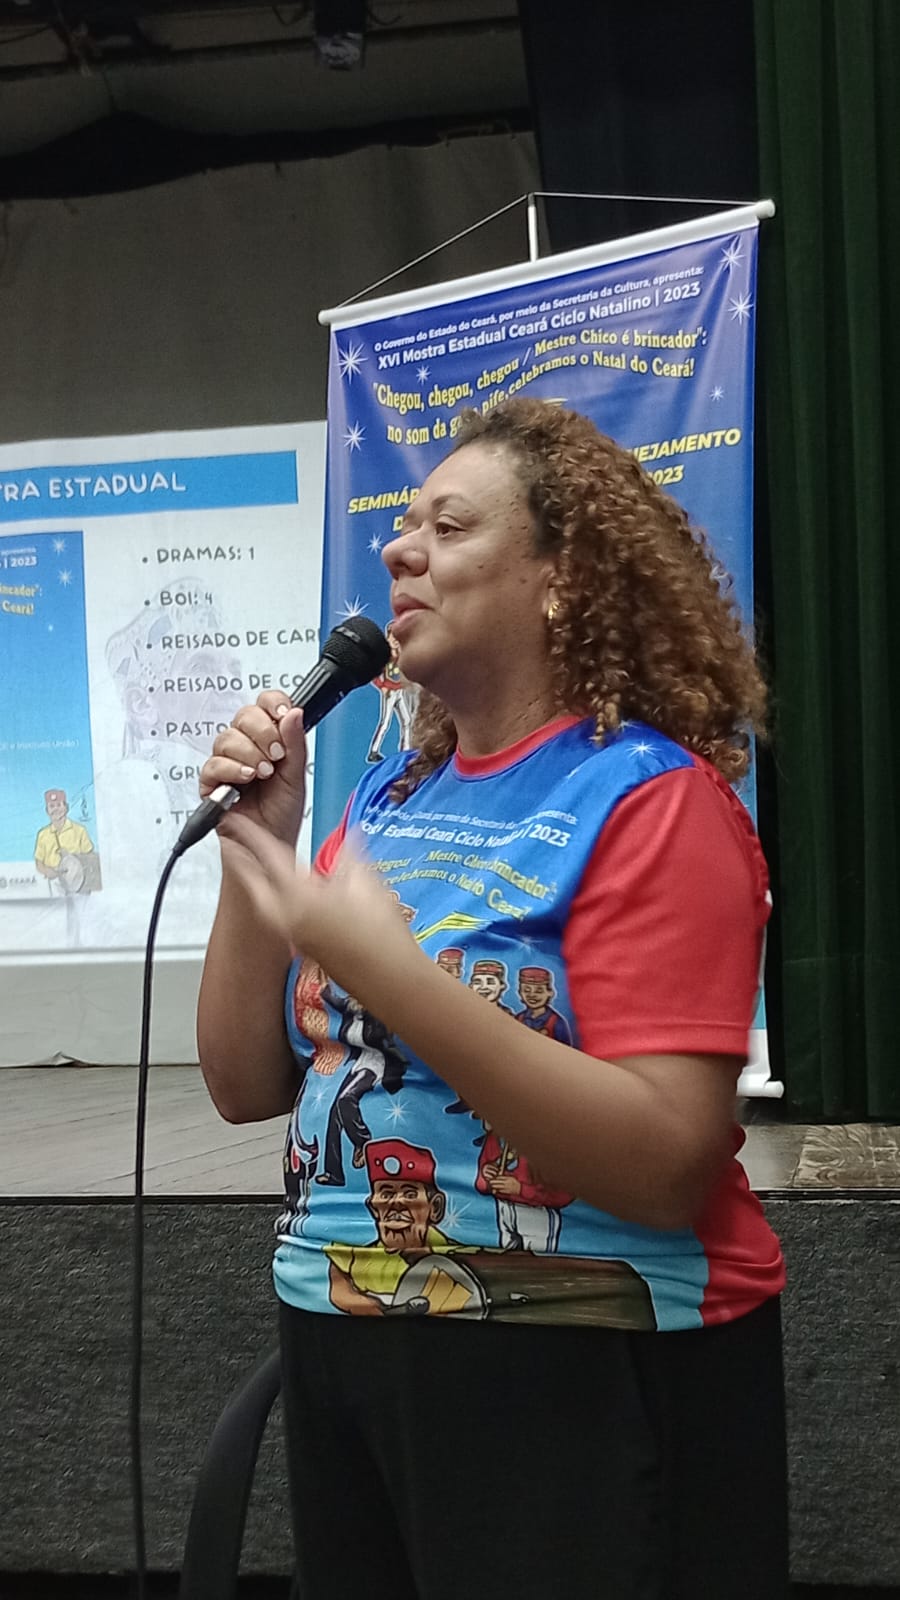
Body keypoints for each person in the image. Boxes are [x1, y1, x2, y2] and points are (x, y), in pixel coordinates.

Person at [197, 398, 788, 1598]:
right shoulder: (392, 799)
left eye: (449, 526)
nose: (398, 549)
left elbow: (668, 1162)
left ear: (561, 580)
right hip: (346, 1334)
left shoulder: (650, 800)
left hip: (575, 1358)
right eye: (403, 524)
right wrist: (260, 849)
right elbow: (245, 1085)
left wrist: (392, 974)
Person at [34, 789, 98, 893]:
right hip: (54, 885)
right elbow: (39, 862)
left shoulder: (79, 830)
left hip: (79, 882)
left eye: (59, 805)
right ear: (47, 811)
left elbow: (90, 857)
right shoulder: (42, 835)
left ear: (66, 808)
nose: (56, 809)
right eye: (52, 806)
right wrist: (47, 871)